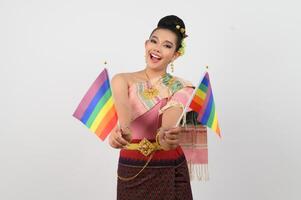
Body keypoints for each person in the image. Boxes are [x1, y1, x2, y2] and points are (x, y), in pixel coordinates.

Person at [109, 15, 194, 200]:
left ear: (176, 55)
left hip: (169, 167)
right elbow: (123, 108)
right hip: (131, 167)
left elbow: (168, 126)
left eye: (167, 45)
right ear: (146, 44)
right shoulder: (122, 80)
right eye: (154, 41)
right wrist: (121, 131)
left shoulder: (182, 87)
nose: (157, 48)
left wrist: (167, 135)